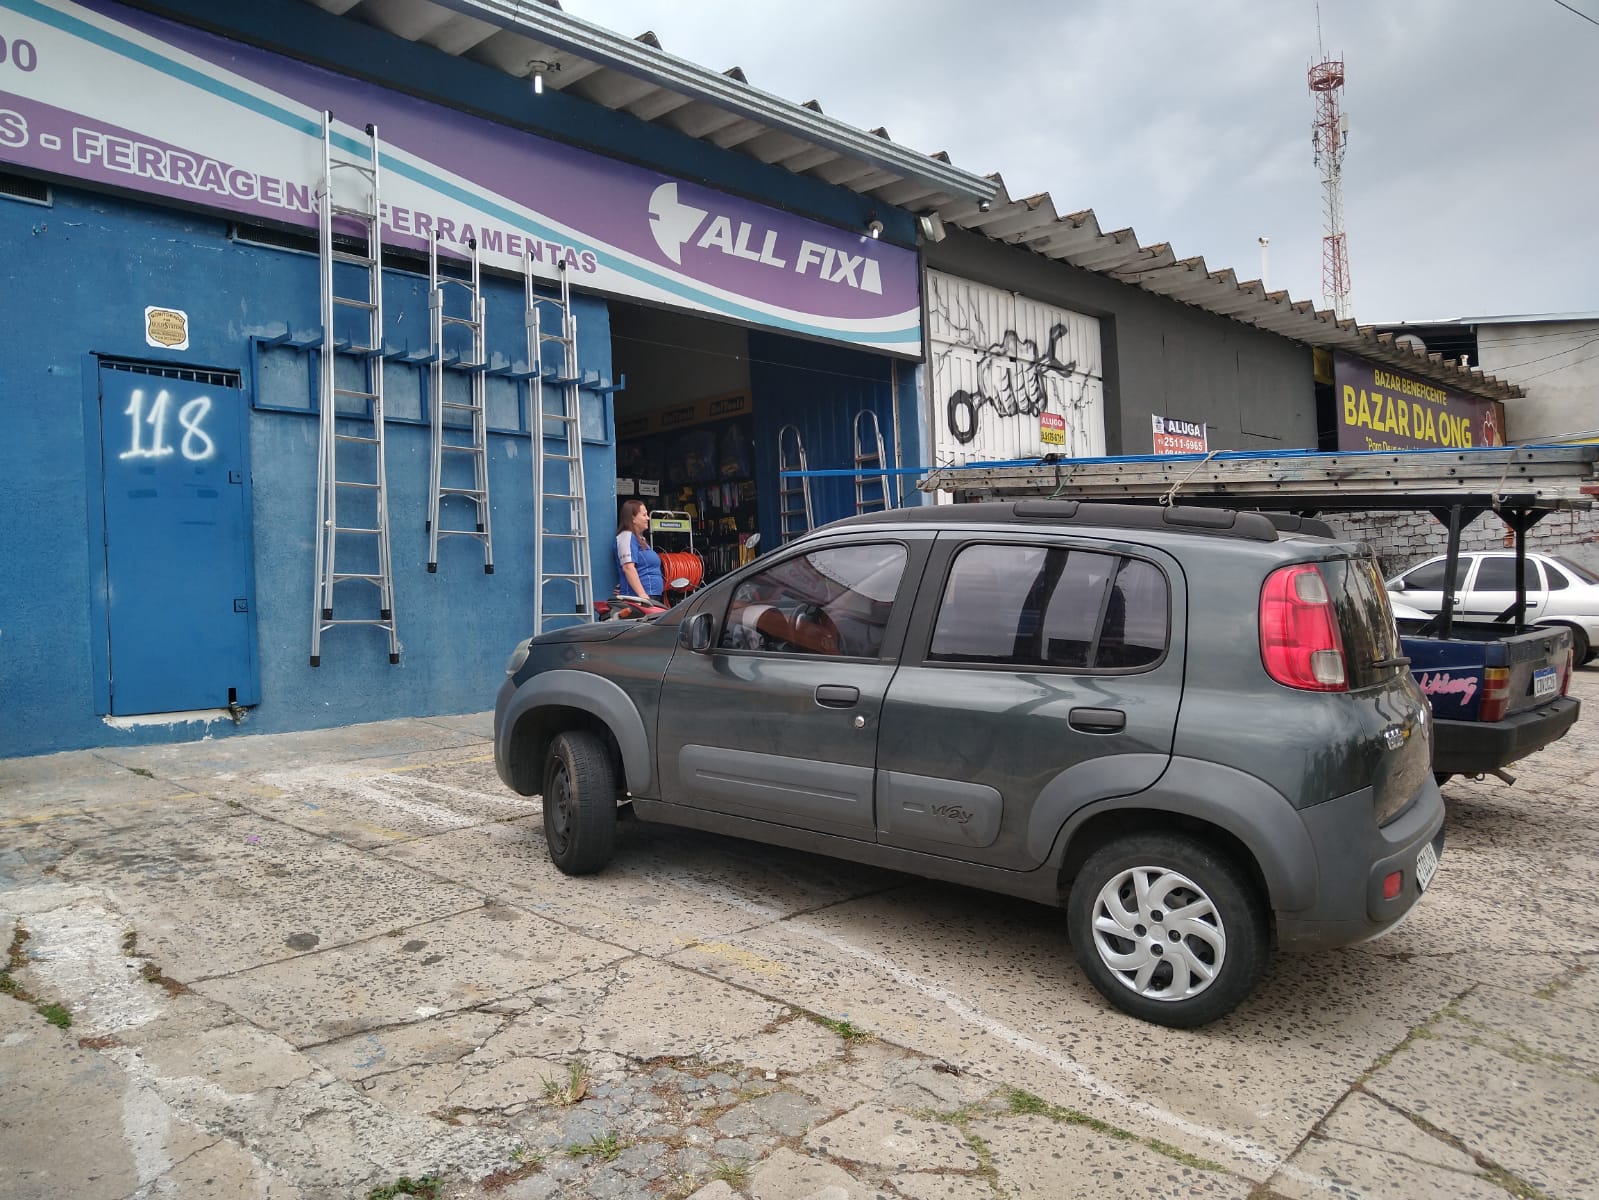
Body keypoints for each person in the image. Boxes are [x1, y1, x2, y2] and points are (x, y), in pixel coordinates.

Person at [613, 498, 664, 603]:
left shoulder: (641, 539)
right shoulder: (626, 536)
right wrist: (642, 595)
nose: (648, 518)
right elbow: (628, 567)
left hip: (651, 596)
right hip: (640, 598)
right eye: (644, 515)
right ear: (633, 518)